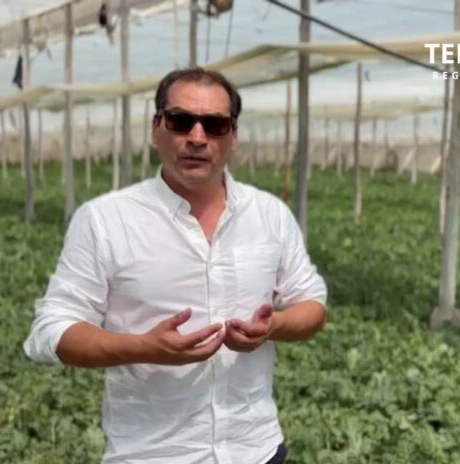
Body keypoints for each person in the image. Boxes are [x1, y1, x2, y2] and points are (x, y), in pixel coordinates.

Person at [23, 67, 328, 464]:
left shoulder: (269, 214)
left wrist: (275, 326)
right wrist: (141, 348)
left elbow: (312, 303)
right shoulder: (105, 219)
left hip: (257, 448)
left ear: (233, 137)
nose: (197, 138)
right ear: (156, 128)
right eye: (181, 120)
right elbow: (52, 328)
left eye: (215, 125)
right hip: (153, 453)